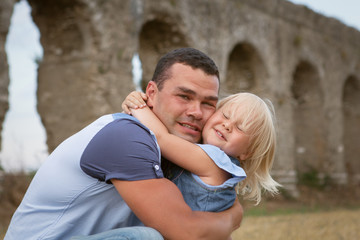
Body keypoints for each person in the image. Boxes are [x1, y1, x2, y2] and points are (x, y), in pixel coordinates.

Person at [4, 48, 242, 240]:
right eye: (184, 96)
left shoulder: (176, 145)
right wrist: (232, 218)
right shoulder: (126, 137)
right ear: (151, 92)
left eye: (209, 103)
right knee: (146, 238)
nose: (196, 112)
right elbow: (186, 232)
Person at [123, 91, 281, 212]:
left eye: (240, 128)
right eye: (225, 115)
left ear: (247, 153)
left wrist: (138, 105)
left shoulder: (215, 162)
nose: (227, 125)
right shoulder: (199, 152)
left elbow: (161, 137)